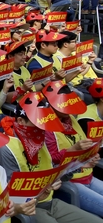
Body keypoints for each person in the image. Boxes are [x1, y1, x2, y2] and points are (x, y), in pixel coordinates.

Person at [0, 93, 103, 223]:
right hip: (29, 208)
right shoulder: (5, 148)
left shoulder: (39, 138)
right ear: (21, 121)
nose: (43, 129)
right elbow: (12, 196)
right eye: (38, 123)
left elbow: (53, 173)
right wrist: (42, 191)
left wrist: (78, 165)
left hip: (50, 202)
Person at [42, 81, 103, 218]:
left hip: (88, 174)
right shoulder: (46, 127)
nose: (67, 109)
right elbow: (52, 161)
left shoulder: (70, 119)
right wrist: (73, 149)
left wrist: (91, 156)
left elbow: (84, 146)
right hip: (69, 181)